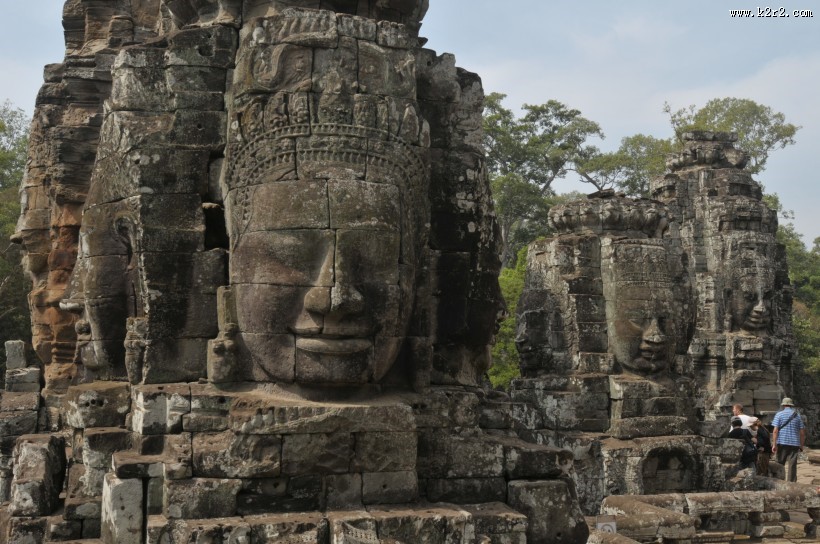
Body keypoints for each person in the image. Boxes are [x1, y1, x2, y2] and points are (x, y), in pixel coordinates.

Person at [771, 397, 806, 482]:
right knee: (792, 465)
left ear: (783, 405)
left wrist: (774, 444)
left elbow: (775, 431)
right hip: (794, 443)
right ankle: (792, 483)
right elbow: (802, 433)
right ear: (791, 405)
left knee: (779, 463)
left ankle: (778, 481)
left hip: (782, 442)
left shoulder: (779, 415)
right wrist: (801, 445)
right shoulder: (797, 416)